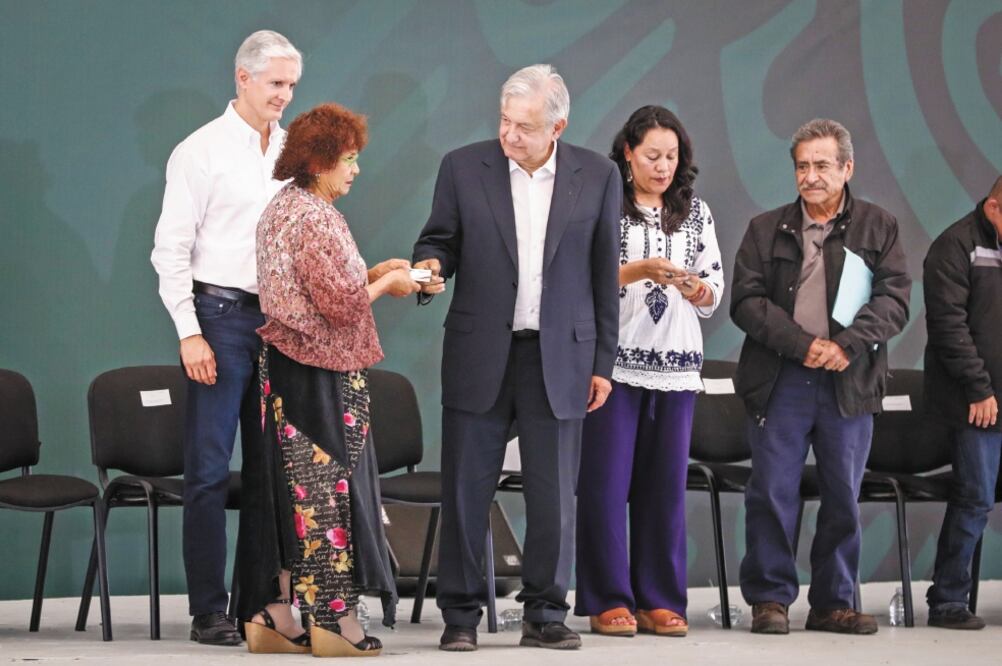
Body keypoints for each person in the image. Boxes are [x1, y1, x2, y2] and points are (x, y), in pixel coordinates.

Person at [412, 64, 621, 651]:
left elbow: (605, 275)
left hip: (560, 357)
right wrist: (429, 269)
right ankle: (459, 616)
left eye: (525, 126)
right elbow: (439, 241)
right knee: (465, 490)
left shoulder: (598, 176)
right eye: (505, 122)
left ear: (558, 124)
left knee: (553, 496)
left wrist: (603, 362)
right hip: (481, 352)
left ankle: (546, 614)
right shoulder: (462, 166)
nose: (510, 135)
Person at [242, 102, 422, 657]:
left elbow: (311, 291)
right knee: (329, 498)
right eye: (349, 159)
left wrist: (377, 274)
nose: (356, 170)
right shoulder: (318, 218)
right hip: (322, 379)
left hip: (284, 375)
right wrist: (387, 287)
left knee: (287, 494)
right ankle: (334, 623)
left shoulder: (281, 208)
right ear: (319, 162)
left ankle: (273, 615)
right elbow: (341, 308)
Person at [150, 29, 302, 646]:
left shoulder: (293, 151)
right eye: (274, 84)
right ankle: (209, 609)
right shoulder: (200, 151)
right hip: (218, 317)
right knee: (210, 470)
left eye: (291, 85)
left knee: (272, 473)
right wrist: (190, 332)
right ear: (242, 78)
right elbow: (170, 251)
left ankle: (262, 606)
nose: (284, 96)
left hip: (280, 324)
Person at [731, 118, 911, 635]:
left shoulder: (880, 226)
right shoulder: (765, 229)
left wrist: (845, 346)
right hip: (780, 379)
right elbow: (745, 302)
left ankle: (834, 603)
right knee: (771, 490)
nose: (811, 176)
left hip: (848, 382)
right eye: (802, 166)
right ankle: (770, 600)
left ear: (847, 168)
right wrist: (803, 345)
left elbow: (894, 299)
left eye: (822, 165)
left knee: (841, 494)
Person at [574, 106, 723, 638]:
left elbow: (713, 289)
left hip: (678, 365)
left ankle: (659, 598)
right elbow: (583, 281)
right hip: (613, 364)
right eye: (653, 156)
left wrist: (695, 287)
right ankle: (608, 598)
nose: (663, 167)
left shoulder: (696, 213)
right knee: (606, 486)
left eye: (672, 157)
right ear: (628, 153)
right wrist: (638, 270)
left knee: (665, 489)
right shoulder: (603, 206)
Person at [923, 176, 1002, 630]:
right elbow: (949, 328)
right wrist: (979, 388)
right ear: (993, 208)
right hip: (975, 402)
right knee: (974, 499)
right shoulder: (954, 247)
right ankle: (948, 600)